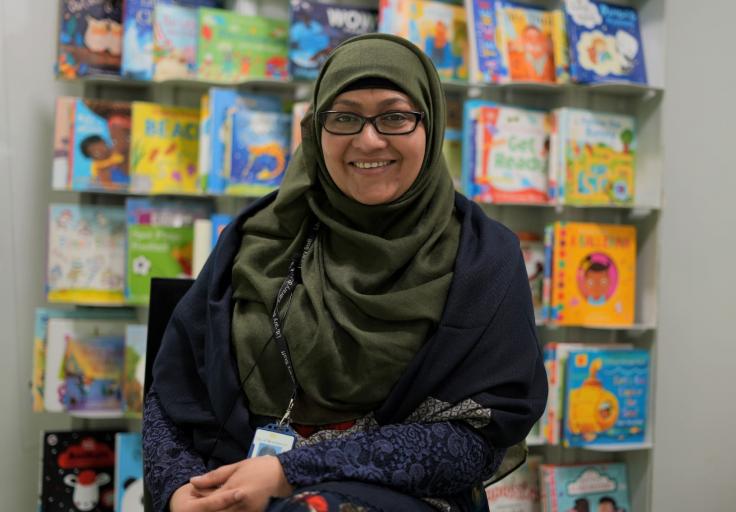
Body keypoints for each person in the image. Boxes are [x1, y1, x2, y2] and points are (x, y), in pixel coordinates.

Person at [143, 33, 547, 512]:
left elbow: (473, 444)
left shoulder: (482, 257)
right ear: (316, 129)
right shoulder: (256, 238)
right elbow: (171, 397)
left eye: (395, 116)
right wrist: (177, 492)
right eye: (344, 117)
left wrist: (288, 474)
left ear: (431, 125)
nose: (368, 139)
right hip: (235, 486)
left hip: (402, 497)